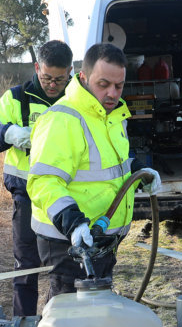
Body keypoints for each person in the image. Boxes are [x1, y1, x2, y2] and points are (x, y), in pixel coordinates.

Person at [25, 42, 161, 300]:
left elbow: (110, 166)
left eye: (119, 86)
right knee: (69, 316)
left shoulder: (111, 115)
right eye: (103, 84)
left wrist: (140, 171)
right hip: (69, 241)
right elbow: (44, 181)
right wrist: (73, 223)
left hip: (101, 238)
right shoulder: (63, 119)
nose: (112, 93)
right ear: (84, 77)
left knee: (93, 313)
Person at [0, 39, 73, 315]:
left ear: (70, 72)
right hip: (27, 196)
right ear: (36, 67)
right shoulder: (16, 98)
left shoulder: (77, 100)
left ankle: (61, 323)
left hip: (66, 196)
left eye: (59, 79)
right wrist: (8, 133)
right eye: (46, 78)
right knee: (27, 264)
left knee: (65, 267)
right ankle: (24, 326)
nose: (53, 85)